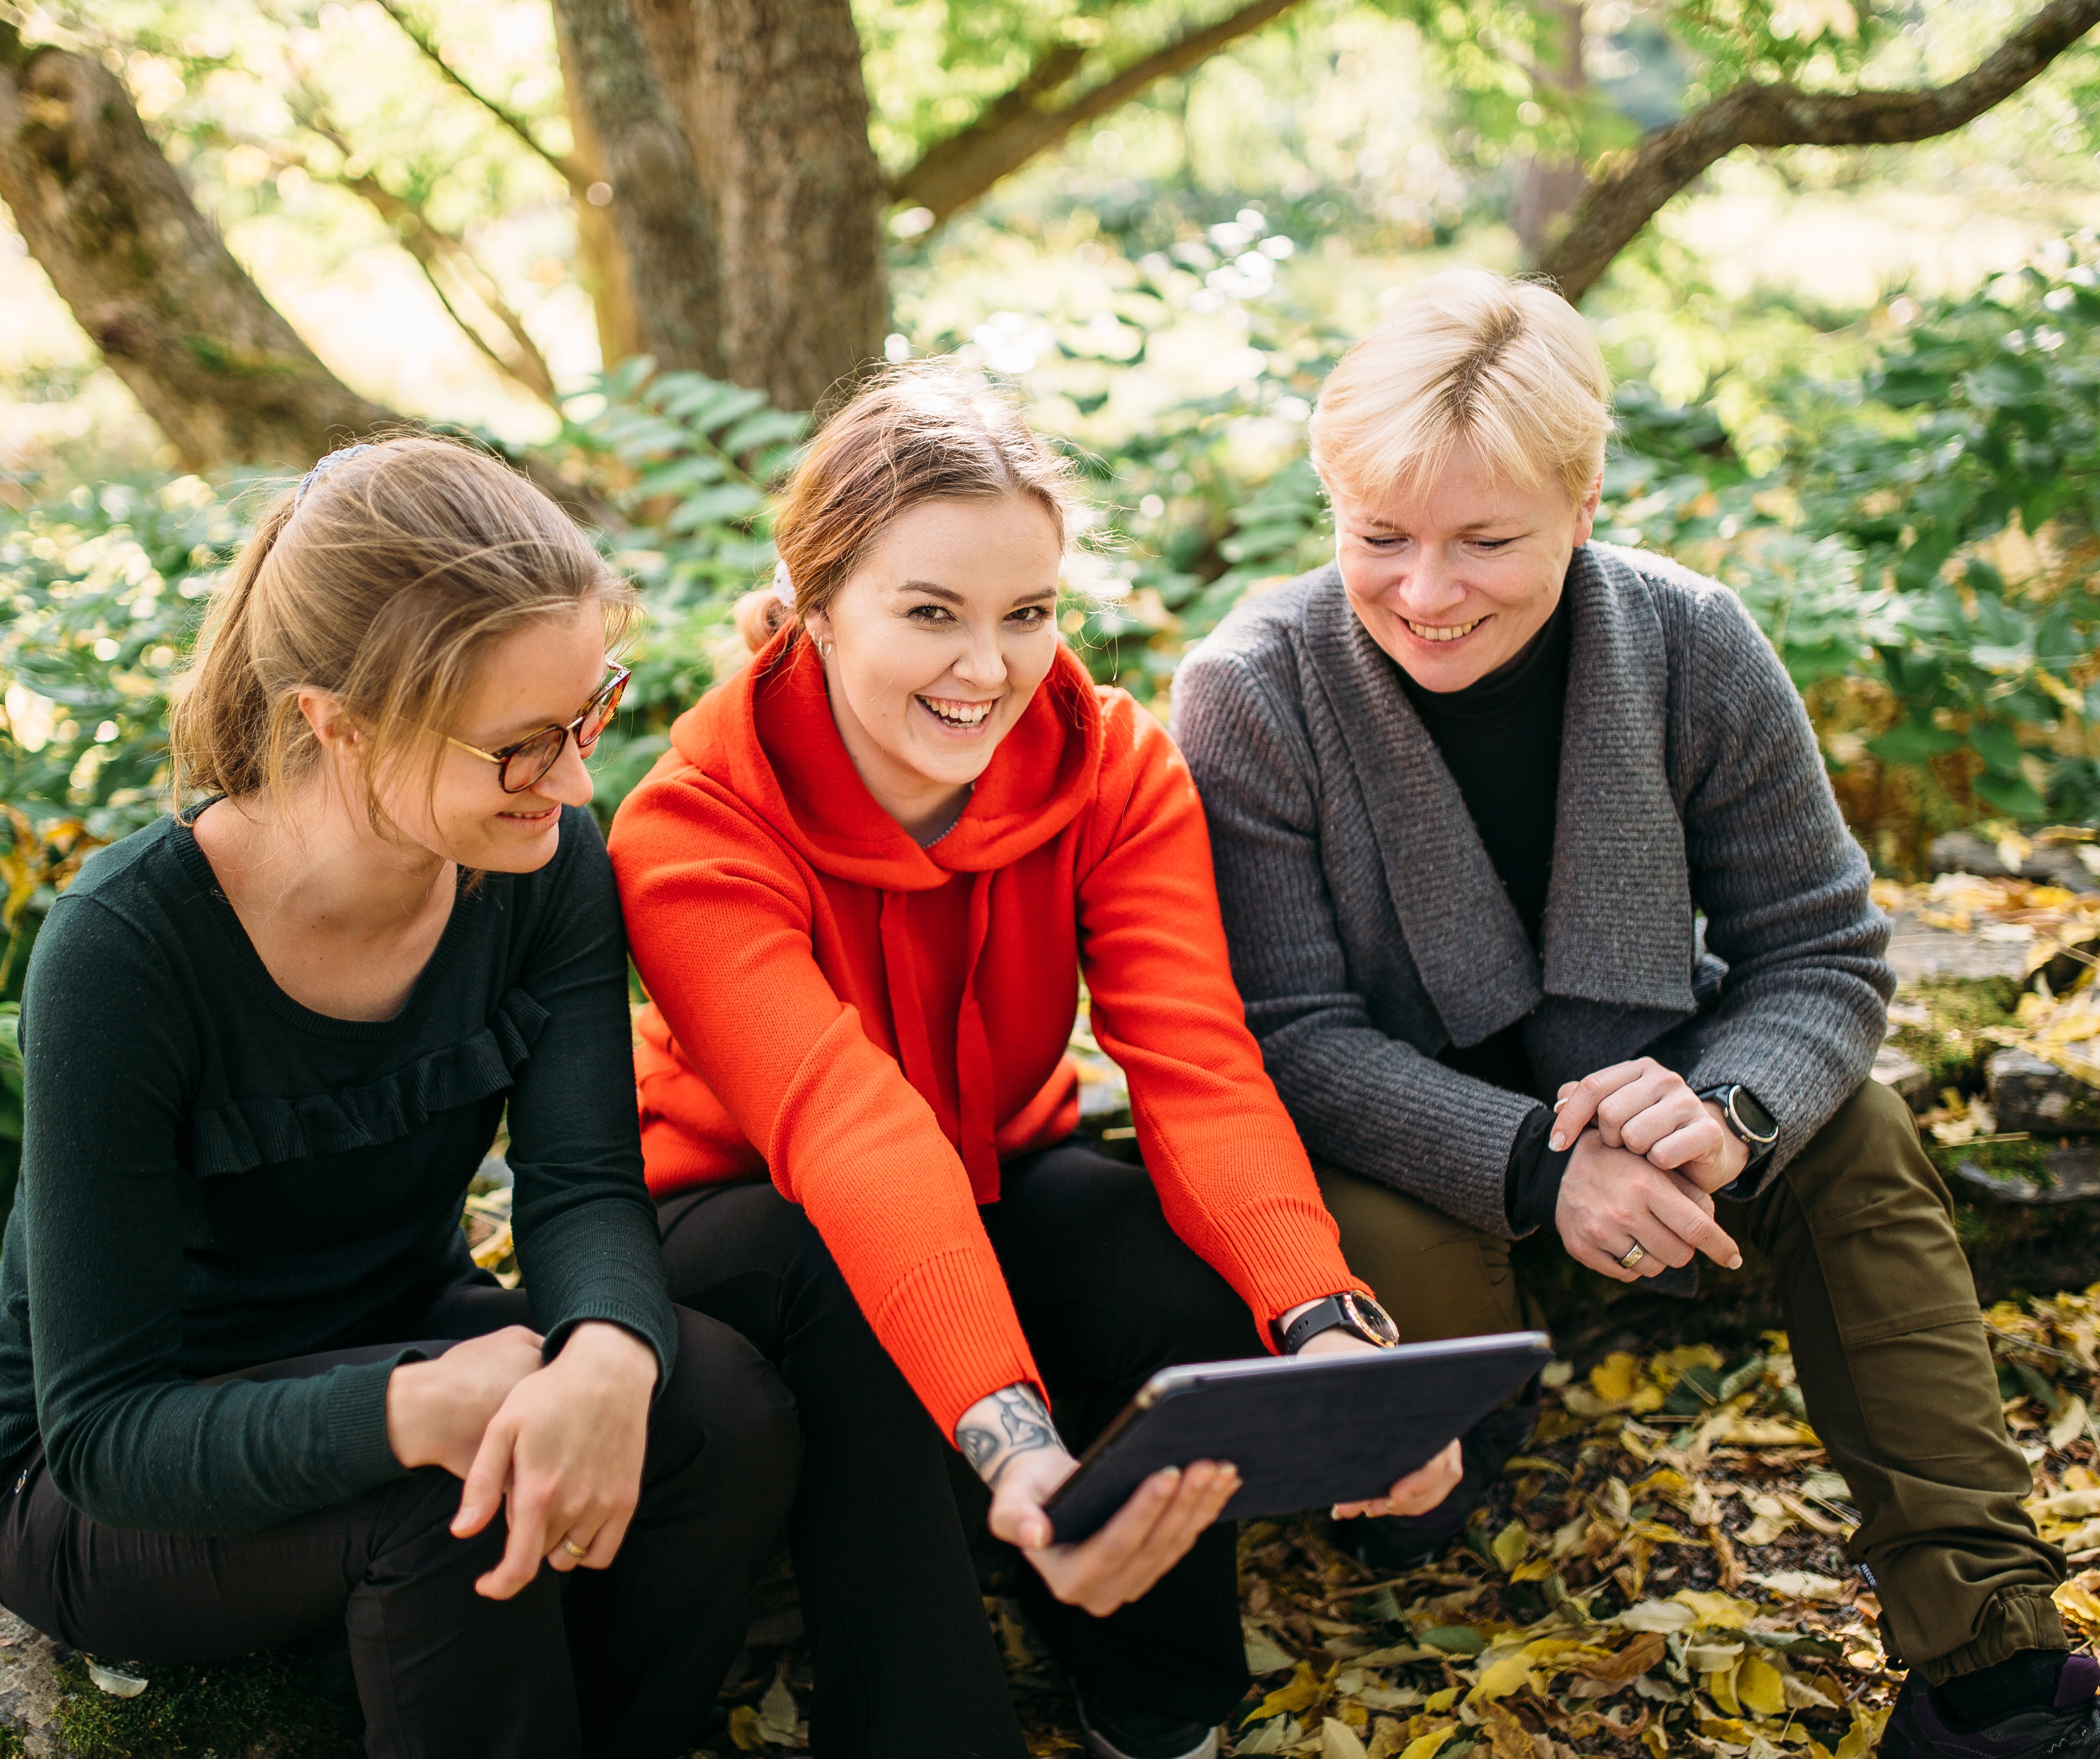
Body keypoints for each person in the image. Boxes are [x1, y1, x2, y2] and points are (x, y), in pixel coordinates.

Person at [1172, 269, 2100, 1759]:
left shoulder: (1694, 643)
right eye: (1381, 539)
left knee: (1864, 1132)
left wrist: (1731, 1108)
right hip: (1400, 1143)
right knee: (1412, 1337)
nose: (1427, 594)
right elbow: (1288, 1035)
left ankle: (1991, 1660)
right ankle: (1441, 1474)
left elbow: (1820, 950)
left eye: (1487, 540)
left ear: (1584, 499)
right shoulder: (1253, 688)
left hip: (1656, 1096)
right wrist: (1543, 1170)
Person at [607, 365, 1461, 1759]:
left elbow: (1195, 1061)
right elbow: (842, 1129)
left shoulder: (1114, 766)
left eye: (1028, 614)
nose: (987, 669)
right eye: (930, 613)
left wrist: (1328, 1331)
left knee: (1161, 1274)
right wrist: (1011, 1442)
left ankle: (1159, 1702)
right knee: (854, 1307)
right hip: (736, 1209)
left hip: (996, 1161)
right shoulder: (694, 824)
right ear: (816, 602)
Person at [0, 436, 799, 1759]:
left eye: (591, 717)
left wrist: (605, 1355)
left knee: (723, 1407)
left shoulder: (543, 864)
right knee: (446, 1495)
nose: (577, 782)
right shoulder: (127, 951)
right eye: (522, 747)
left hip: (397, 1328)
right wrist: (416, 1407)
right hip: (112, 1482)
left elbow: (581, 1183)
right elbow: (106, 1434)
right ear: (333, 720)